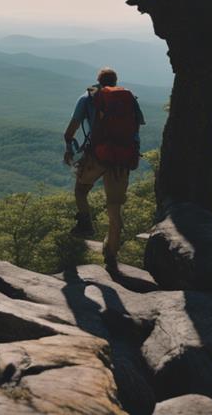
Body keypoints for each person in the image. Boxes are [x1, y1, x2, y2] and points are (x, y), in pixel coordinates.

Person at [62, 67, 144, 270]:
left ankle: (85, 224)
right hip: (122, 159)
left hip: (97, 156)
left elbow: (70, 130)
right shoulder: (129, 98)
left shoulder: (88, 97)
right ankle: (110, 255)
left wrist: (69, 148)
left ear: (98, 80)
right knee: (114, 206)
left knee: (81, 190)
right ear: (116, 81)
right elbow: (136, 127)